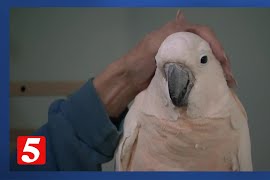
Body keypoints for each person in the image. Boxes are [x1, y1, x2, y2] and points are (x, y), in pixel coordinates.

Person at [10, 11, 236, 171]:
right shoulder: (138, 116)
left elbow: (23, 162)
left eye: (204, 61)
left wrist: (128, 75)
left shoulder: (235, 119)